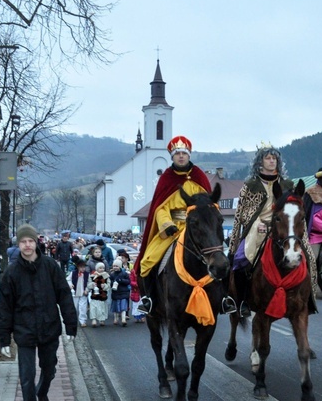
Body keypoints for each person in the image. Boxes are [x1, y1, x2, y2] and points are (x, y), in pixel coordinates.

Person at [0, 224, 78, 401]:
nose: (27, 245)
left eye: (30, 241)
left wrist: (70, 326)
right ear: (19, 244)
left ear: (36, 242)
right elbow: (4, 307)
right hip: (24, 331)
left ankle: (43, 392)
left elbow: (64, 296)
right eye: (23, 242)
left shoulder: (50, 266)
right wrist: (3, 338)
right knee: (26, 377)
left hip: (49, 328)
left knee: (49, 369)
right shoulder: (12, 272)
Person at [136, 135, 214, 314]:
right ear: (172, 156)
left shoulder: (199, 176)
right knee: (149, 259)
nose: (181, 156)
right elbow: (159, 208)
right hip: (172, 228)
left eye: (183, 153)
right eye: (177, 153)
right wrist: (166, 224)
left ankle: (223, 297)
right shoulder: (167, 178)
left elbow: (208, 205)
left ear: (189, 155)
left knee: (219, 255)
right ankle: (149, 298)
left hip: (197, 228)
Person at [228, 144, 294, 317]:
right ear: (260, 161)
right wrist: (257, 223)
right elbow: (242, 212)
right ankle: (241, 301)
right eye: (268, 158)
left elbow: (292, 208)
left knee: (305, 257)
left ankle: (303, 298)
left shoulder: (287, 185)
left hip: (281, 228)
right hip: (256, 229)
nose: (272, 161)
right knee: (241, 259)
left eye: (274, 158)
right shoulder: (250, 185)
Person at [68, 255, 90, 328]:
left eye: (84, 267)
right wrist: (70, 285)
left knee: (83, 307)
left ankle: (82, 321)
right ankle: (73, 321)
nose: (83, 268)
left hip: (83, 293)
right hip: (75, 293)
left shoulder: (87, 274)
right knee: (74, 307)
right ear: (78, 267)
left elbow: (89, 283)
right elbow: (68, 279)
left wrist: (87, 290)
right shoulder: (73, 273)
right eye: (81, 267)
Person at [87, 262, 110, 327]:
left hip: (102, 295)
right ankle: (94, 319)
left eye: (103, 268)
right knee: (94, 308)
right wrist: (92, 285)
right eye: (100, 268)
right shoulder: (92, 276)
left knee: (102, 308)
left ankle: (102, 319)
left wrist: (105, 286)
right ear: (97, 268)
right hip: (94, 295)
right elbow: (88, 285)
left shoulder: (106, 276)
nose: (102, 269)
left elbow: (109, 285)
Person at [109, 258, 131, 326]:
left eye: (117, 266)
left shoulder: (124, 274)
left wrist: (121, 280)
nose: (115, 267)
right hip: (115, 292)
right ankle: (115, 319)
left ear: (120, 266)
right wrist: (113, 283)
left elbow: (128, 282)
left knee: (123, 307)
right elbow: (110, 282)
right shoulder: (112, 275)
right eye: (114, 266)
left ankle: (123, 319)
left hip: (123, 292)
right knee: (115, 307)